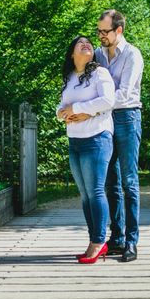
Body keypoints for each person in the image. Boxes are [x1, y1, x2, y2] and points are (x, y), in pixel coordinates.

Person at [57, 35, 116, 264]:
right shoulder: (69, 77)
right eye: (80, 43)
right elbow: (62, 105)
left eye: (89, 42)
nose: (86, 44)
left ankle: (99, 242)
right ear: (72, 54)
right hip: (75, 141)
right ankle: (93, 239)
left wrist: (80, 109)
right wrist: (62, 114)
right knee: (85, 195)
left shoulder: (100, 73)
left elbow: (108, 100)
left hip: (97, 138)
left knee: (96, 191)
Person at [95, 9, 144, 262]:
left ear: (119, 30)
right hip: (104, 119)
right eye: (99, 31)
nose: (101, 35)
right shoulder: (98, 54)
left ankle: (132, 242)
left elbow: (124, 94)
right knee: (109, 181)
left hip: (127, 117)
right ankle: (117, 238)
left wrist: (94, 105)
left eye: (105, 31)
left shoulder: (132, 55)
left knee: (129, 181)